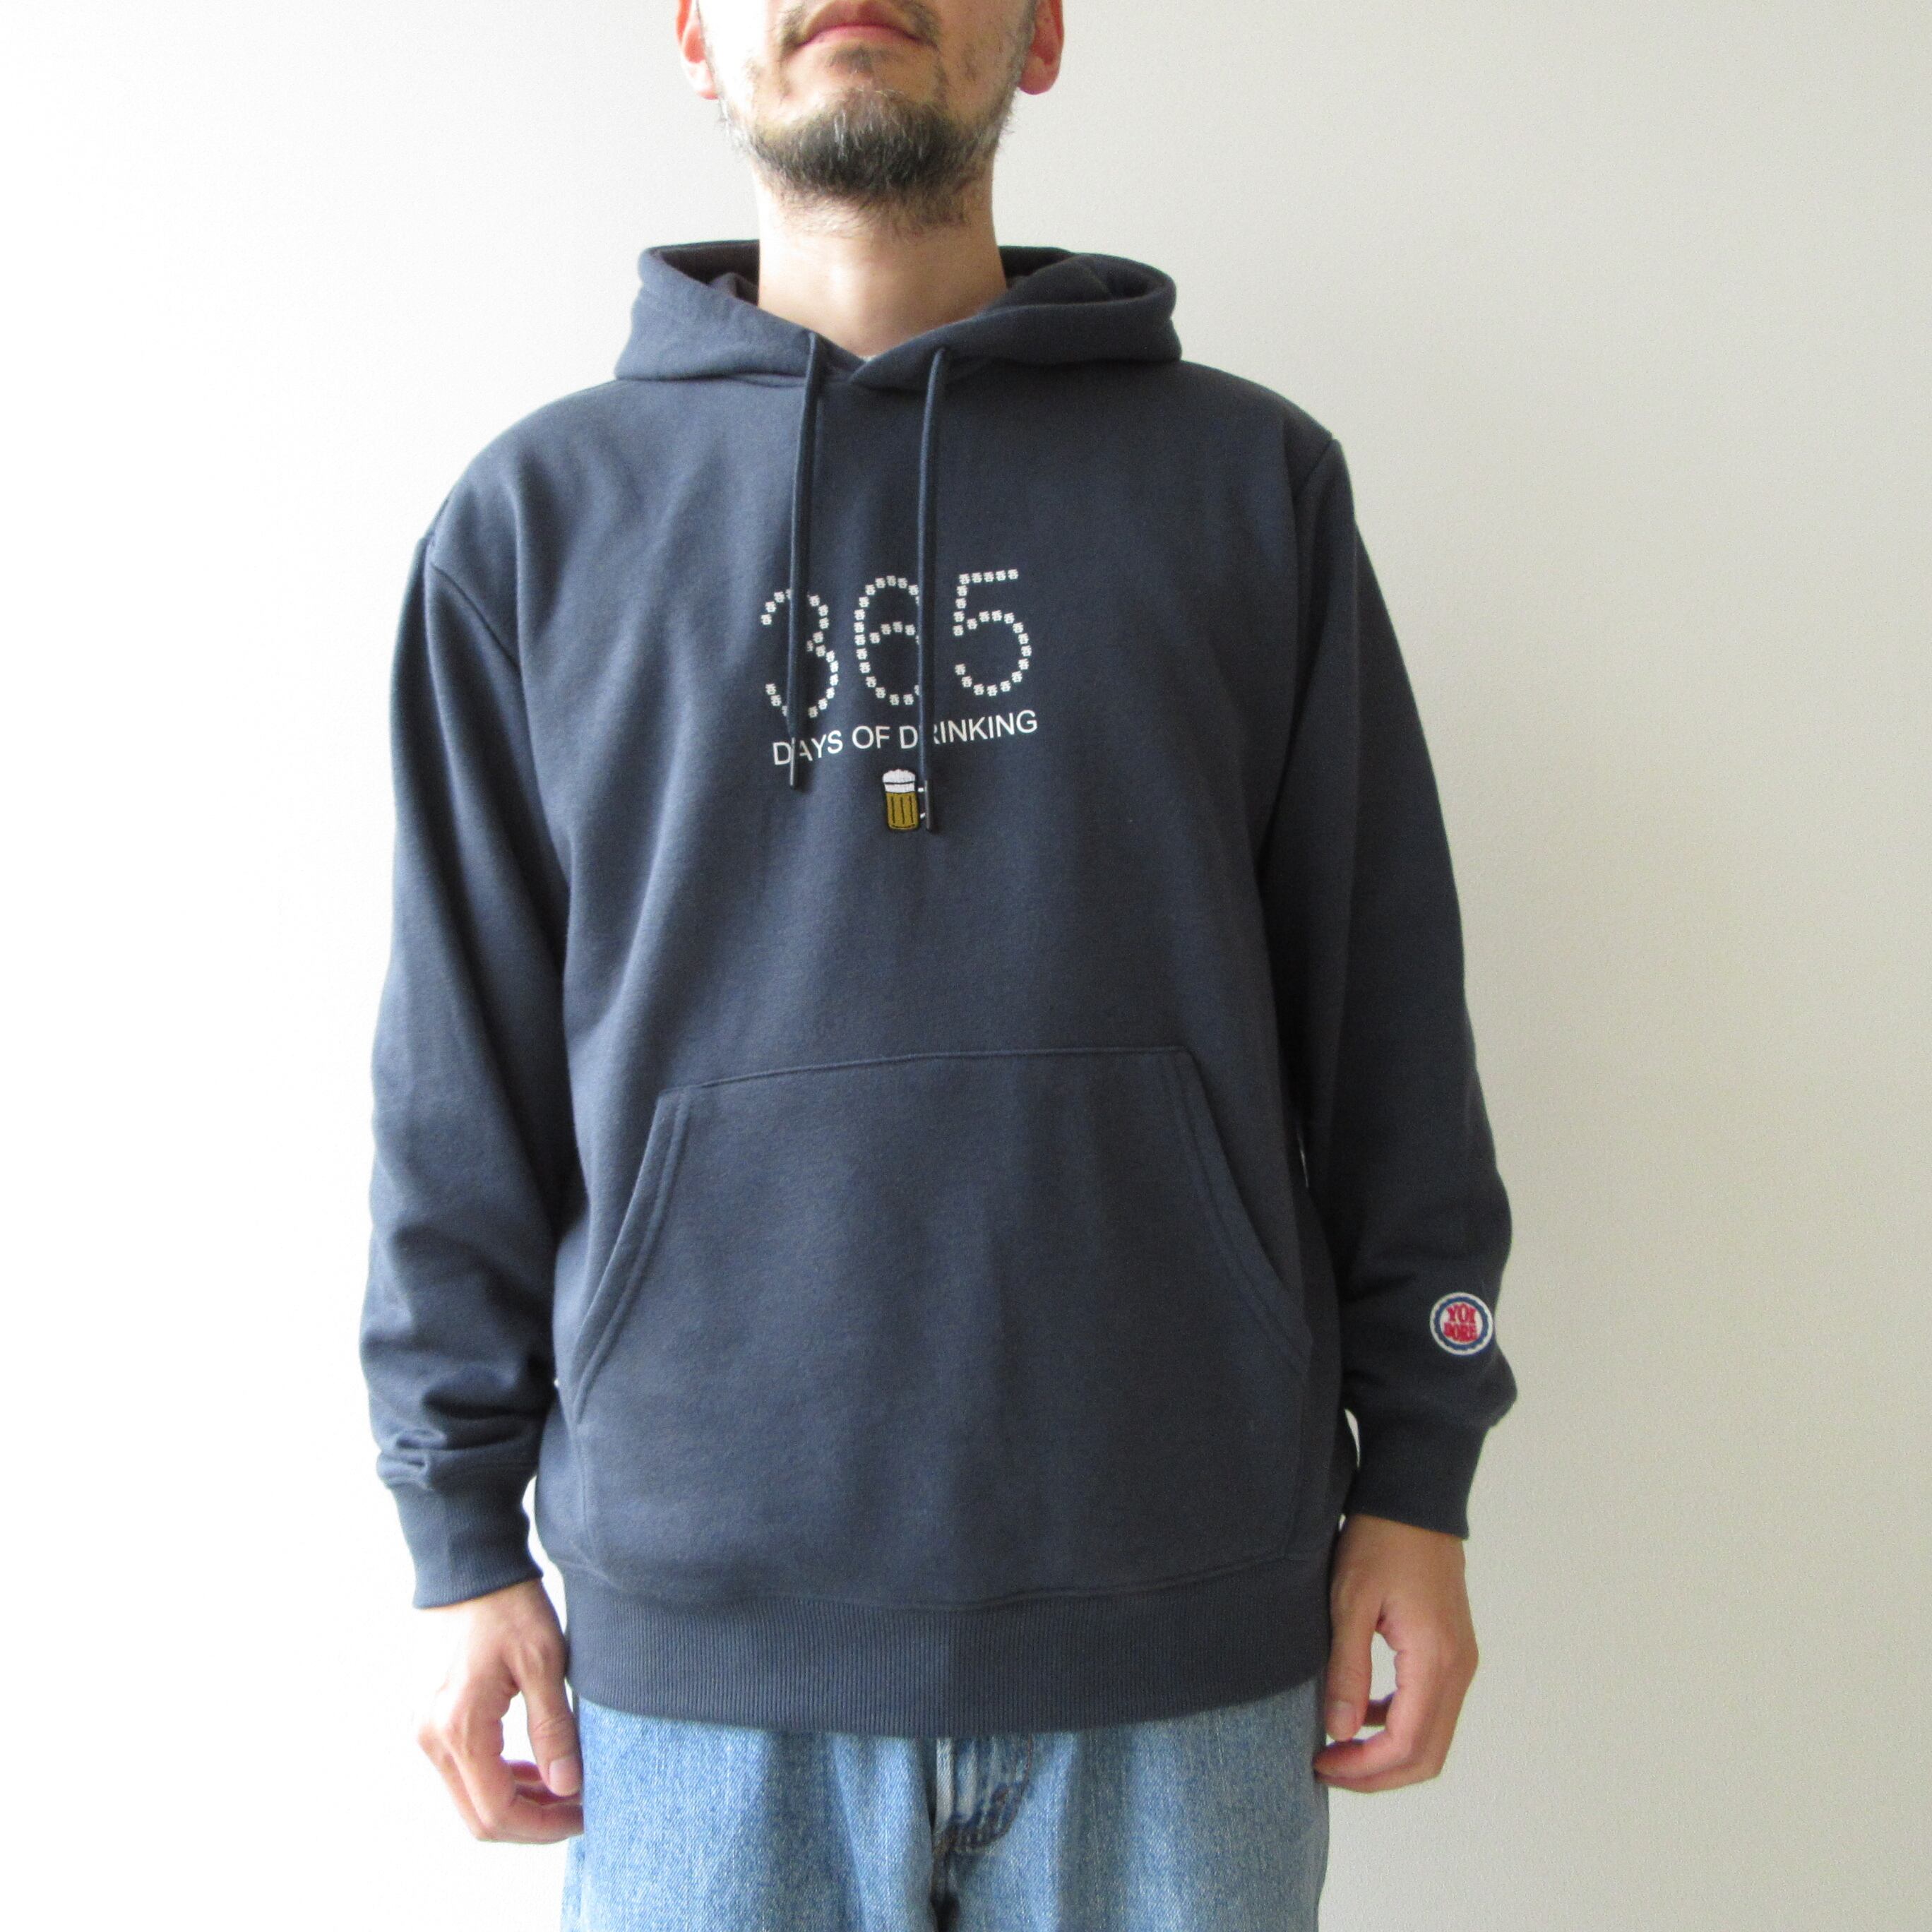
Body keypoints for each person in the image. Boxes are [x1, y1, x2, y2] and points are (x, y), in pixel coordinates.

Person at [357, 1, 1520, 1925]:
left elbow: (1388, 1025)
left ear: (1042, 36)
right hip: (698, 1667)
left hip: (1182, 1637)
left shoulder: (1252, 490)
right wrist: (454, 1533)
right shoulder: (535, 529)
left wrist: (1422, 1467)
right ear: (693, 35)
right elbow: (454, 1086)